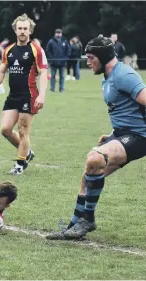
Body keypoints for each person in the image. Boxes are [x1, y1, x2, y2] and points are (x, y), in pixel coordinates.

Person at [46, 36, 146, 240]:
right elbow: (125, 110)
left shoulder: (124, 75)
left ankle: (88, 220)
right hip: (123, 134)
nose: (88, 62)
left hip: (139, 136)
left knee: (95, 159)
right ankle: (73, 226)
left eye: (91, 58)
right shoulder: (107, 76)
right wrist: (112, 135)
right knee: (88, 174)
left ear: (102, 56)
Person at [0, 13, 48, 175]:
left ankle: (20, 164)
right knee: (5, 129)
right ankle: (27, 152)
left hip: (29, 95)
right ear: (15, 30)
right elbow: (1, 71)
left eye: (25, 29)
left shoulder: (36, 50)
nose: (22, 31)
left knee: (23, 130)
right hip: (13, 96)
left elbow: (43, 73)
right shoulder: (9, 50)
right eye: (19, 28)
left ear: (30, 30)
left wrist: (42, 96)